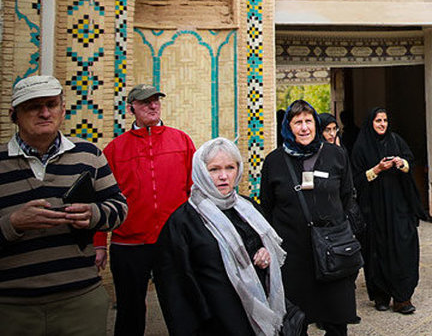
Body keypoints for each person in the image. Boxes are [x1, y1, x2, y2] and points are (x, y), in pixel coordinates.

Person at [0, 75, 128, 335]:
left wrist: (92, 214)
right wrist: (12, 223)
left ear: (62, 109)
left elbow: (119, 208)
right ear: (14, 115)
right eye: (34, 106)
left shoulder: (88, 155)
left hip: (80, 300)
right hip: (12, 307)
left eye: (51, 104)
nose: (45, 113)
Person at [154, 138, 287, 336]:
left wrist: (265, 253)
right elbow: (174, 286)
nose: (223, 176)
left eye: (230, 168)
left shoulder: (248, 209)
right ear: (200, 172)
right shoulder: (183, 221)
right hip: (214, 321)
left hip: (255, 314)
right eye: (214, 169)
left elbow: (261, 244)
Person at [93, 83, 196, 336]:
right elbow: (102, 199)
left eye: (156, 101)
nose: (152, 106)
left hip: (172, 242)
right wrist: (98, 244)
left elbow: (195, 191)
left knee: (180, 307)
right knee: (129, 311)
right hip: (129, 245)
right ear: (131, 109)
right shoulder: (115, 149)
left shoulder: (181, 140)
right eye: (144, 102)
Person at [260, 100, 357, 335]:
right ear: (288, 127)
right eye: (297, 123)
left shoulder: (336, 155)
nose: (304, 128)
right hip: (293, 256)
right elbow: (267, 207)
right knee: (296, 320)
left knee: (336, 319)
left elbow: (347, 197)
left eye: (308, 121)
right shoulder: (274, 161)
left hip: (332, 251)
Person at [350, 107, 427, 315]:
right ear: (370, 124)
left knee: (403, 248)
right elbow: (355, 180)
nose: (382, 124)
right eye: (378, 121)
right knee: (377, 251)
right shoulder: (361, 147)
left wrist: (401, 164)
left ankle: (403, 298)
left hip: (398, 208)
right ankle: (381, 295)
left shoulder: (396, 141)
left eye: (384, 120)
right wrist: (377, 170)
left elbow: (410, 164)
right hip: (373, 210)